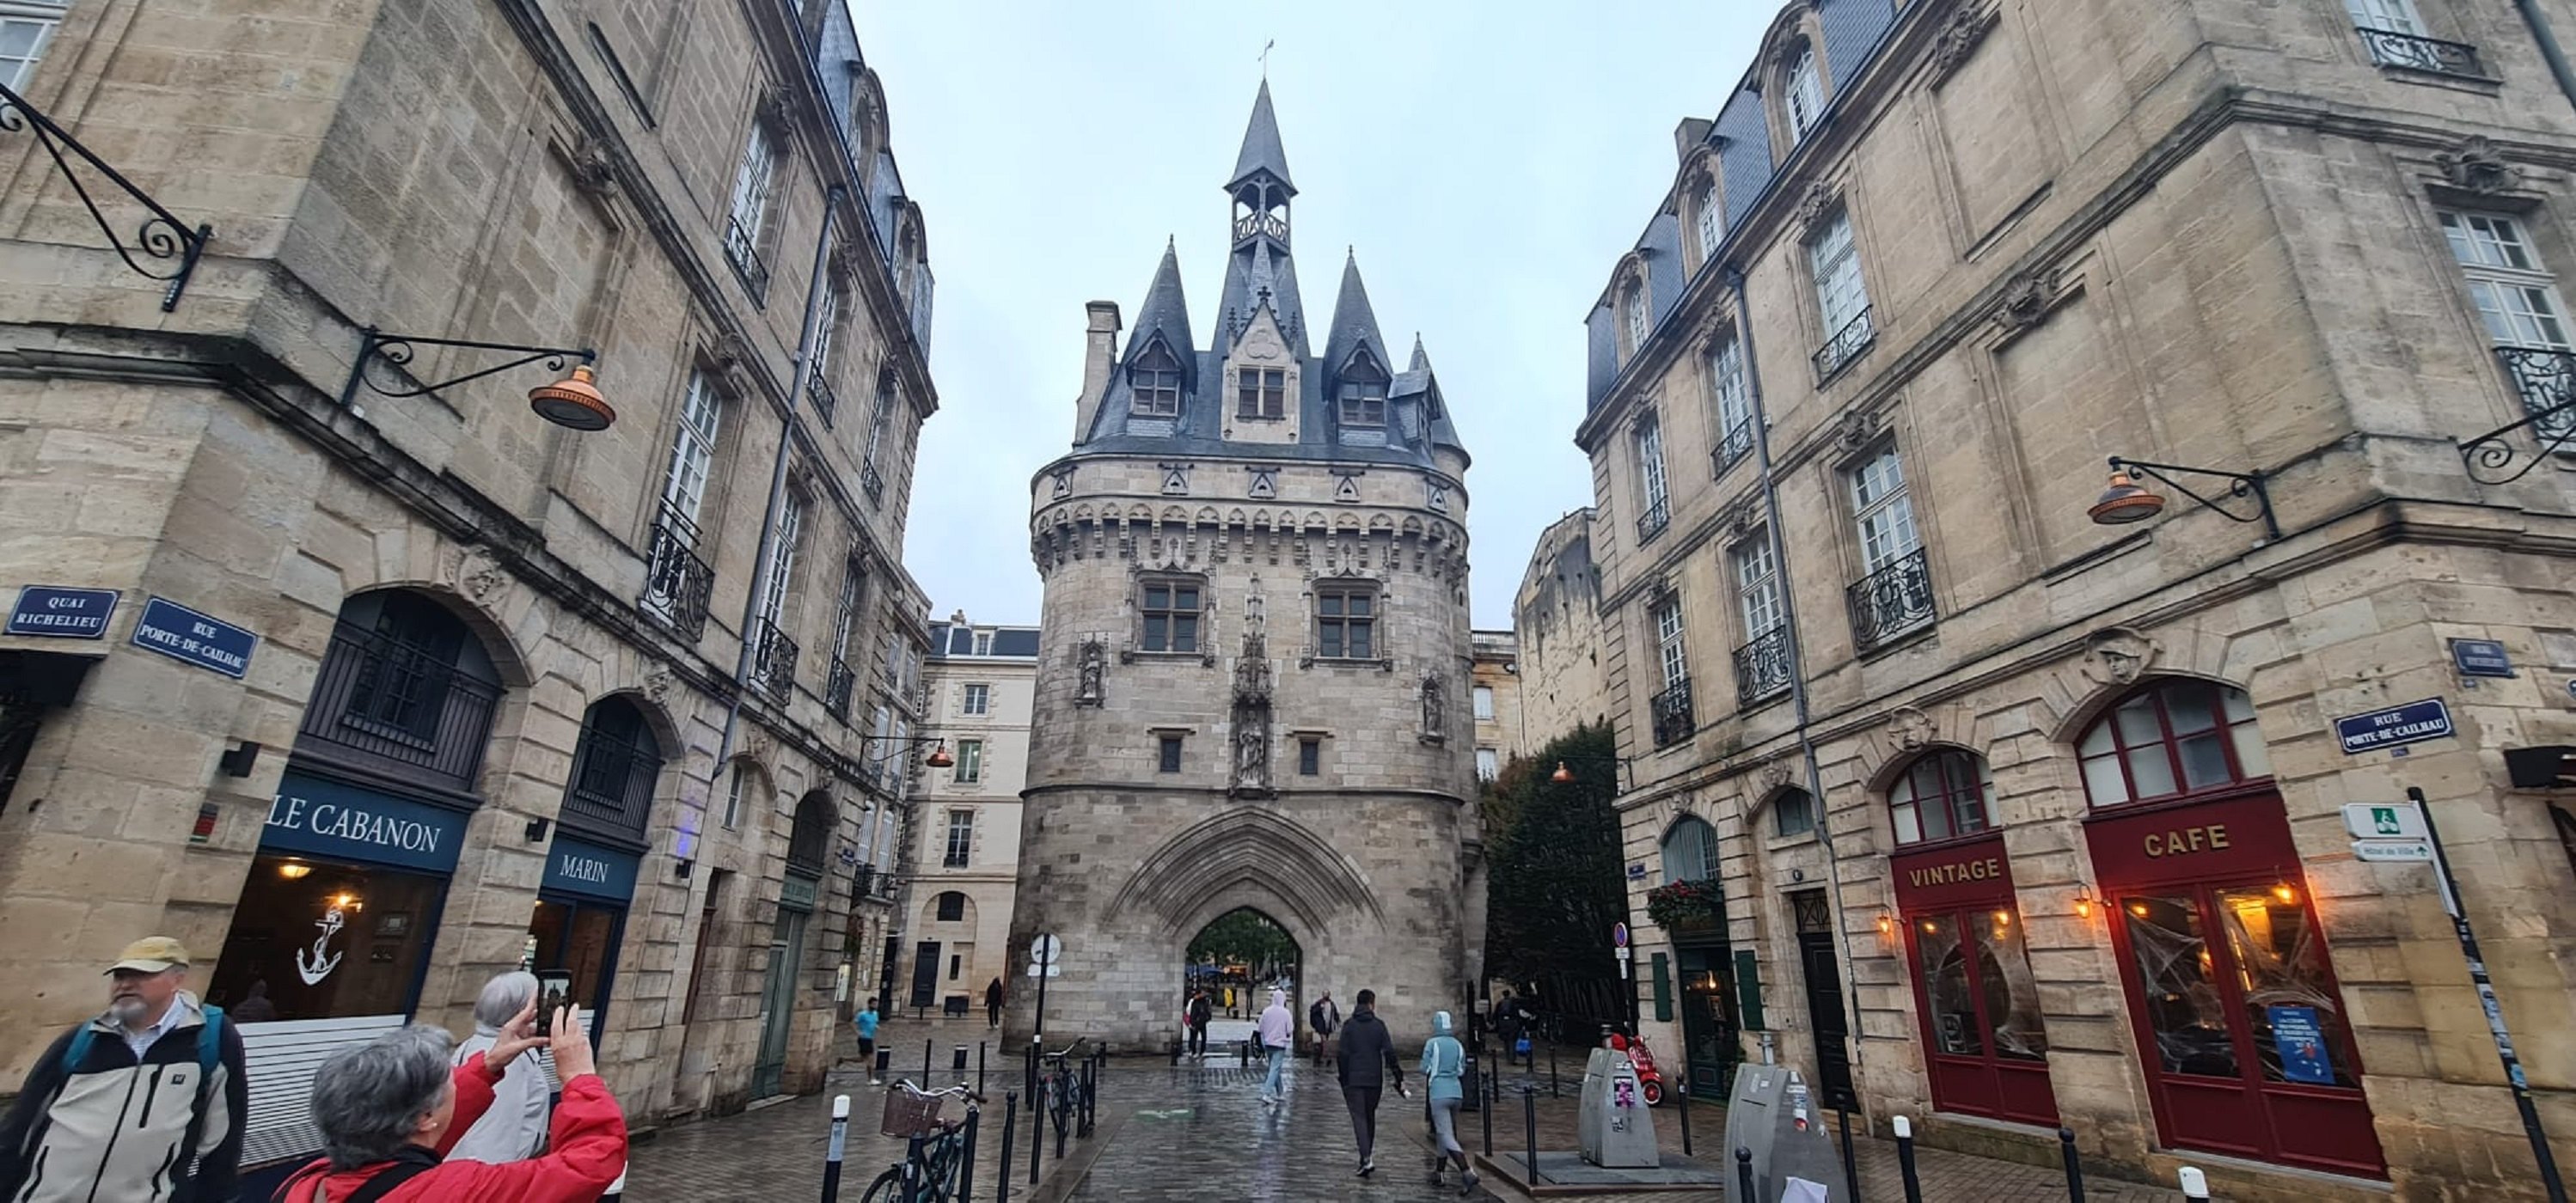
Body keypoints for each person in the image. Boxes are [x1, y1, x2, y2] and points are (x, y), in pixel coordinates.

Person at [270, 999, 624, 1200]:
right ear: (424, 1116)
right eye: (447, 1077)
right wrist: (579, 1077)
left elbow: (421, 1135)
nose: (455, 1079)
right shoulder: (455, 1191)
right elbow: (589, 1165)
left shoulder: (304, 1184)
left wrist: (486, 1067)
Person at [0, 936, 248, 1203]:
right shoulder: (82, 1040)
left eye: (142, 974)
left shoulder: (211, 1039)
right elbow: (20, 1126)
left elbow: (223, 1138)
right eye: (120, 975)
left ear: (178, 979)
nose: (125, 984)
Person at [448, 972, 549, 1164]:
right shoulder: (509, 1062)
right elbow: (493, 1135)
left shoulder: (474, 1045)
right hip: (488, 1176)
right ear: (523, 1012)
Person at [1333, 989, 1405, 1177]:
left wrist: (1343, 1076)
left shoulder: (1349, 1026)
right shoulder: (1379, 1026)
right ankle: (1365, 1157)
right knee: (1369, 1116)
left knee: (1359, 1118)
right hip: (1374, 1079)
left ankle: (1366, 1158)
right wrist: (1398, 1076)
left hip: (1354, 1078)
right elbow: (1389, 1052)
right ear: (1371, 1004)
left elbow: (1342, 1054)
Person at [1420, 1011, 1478, 1194]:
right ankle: (1439, 1171)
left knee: (1445, 1135)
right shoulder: (1458, 1045)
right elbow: (1461, 1070)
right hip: (1456, 1093)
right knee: (1444, 1132)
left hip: (1438, 1093)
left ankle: (1467, 1172)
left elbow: (1424, 1068)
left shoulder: (1432, 1043)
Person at [1256, 988, 1294, 1105]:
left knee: (1274, 1067)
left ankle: (1280, 1092)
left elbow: (1260, 1028)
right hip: (1280, 1044)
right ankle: (1266, 1093)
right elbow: (1290, 1029)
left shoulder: (1266, 1011)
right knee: (1275, 1068)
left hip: (1268, 1043)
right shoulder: (1285, 1013)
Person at [1307, 991, 1340, 1067]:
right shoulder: (1319, 1004)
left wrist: (1337, 1021)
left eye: (1327, 994)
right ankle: (1326, 1057)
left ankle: (1320, 1056)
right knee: (1324, 1041)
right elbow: (1313, 1011)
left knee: (1324, 1041)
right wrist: (1320, 1008)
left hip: (1328, 1025)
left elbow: (1335, 1013)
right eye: (1325, 994)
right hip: (1321, 1026)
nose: (1326, 996)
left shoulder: (1332, 1004)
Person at [854, 998, 882, 1084]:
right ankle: (871, 1079)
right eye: (874, 1004)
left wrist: (876, 1027)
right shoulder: (862, 1014)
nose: (875, 1006)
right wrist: (858, 1032)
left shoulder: (875, 1014)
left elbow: (874, 1023)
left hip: (870, 1038)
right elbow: (853, 1023)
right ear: (869, 1004)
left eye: (876, 1004)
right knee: (871, 1060)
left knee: (862, 1059)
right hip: (863, 1039)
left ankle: (843, 1060)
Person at [1186, 989, 1213, 1058]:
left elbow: (1207, 1011)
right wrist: (1192, 1022)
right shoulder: (1194, 1002)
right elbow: (1191, 1013)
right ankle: (1193, 1051)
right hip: (1195, 1022)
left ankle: (1201, 1051)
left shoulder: (1204, 1002)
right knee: (1194, 1037)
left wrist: (1207, 1018)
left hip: (1202, 1022)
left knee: (1203, 1037)